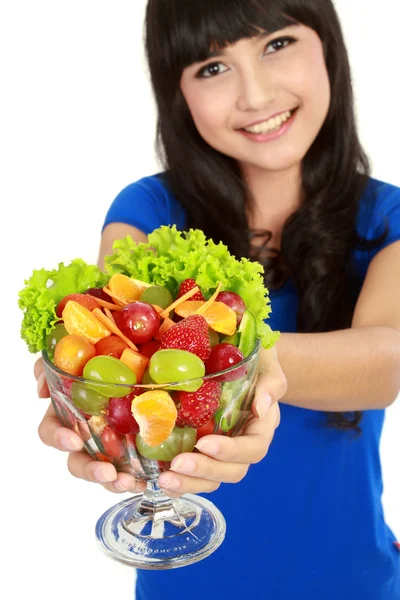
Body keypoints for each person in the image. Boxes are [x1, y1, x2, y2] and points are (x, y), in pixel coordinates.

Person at [35, 0, 400, 598]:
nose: (255, 95)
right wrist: (83, 375)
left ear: (329, 45)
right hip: (186, 583)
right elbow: (114, 332)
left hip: (355, 581)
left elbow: (385, 362)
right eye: (211, 67)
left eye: (277, 44)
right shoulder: (147, 211)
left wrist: (230, 369)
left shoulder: (388, 218)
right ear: (175, 91)